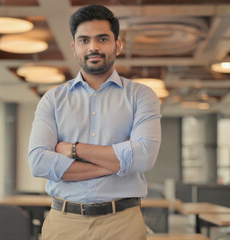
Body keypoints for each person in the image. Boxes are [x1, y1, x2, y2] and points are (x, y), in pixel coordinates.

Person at [28, 4, 161, 240]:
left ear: (117, 45)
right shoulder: (53, 99)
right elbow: (39, 162)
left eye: (102, 39)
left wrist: (72, 149)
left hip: (122, 223)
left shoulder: (141, 95)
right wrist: (119, 161)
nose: (93, 47)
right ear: (74, 47)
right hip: (63, 223)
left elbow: (143, 156)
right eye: (84, 40)